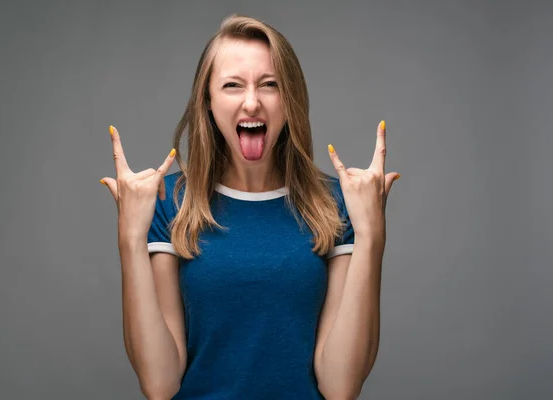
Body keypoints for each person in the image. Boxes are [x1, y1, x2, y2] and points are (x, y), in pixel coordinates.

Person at [101, 14, 400, 400]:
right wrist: (130, 237)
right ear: (207, 101)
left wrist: (371, 235)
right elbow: (159, 385)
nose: (252, 102)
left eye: (270, 85)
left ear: (290, 99)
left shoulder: (336, 205)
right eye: (232, 85)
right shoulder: (169, 203)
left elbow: (340, 386)